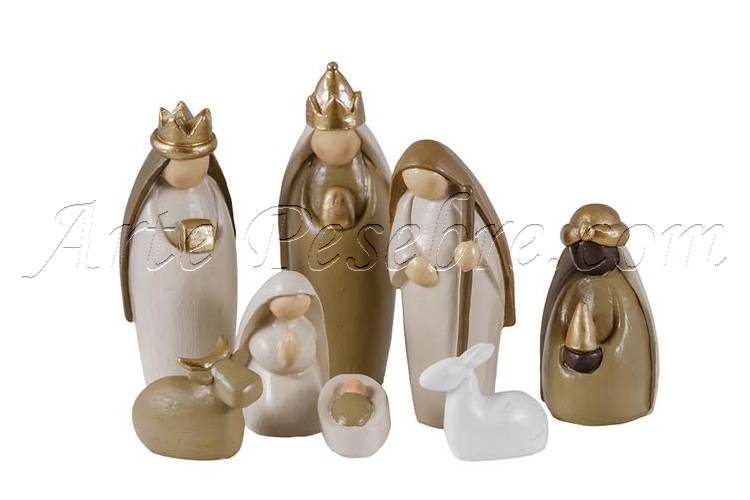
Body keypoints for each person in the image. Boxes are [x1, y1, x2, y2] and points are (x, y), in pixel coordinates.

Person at [278, 62, 394, 383]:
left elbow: (385, 223)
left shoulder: (372, 179)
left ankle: (366, 378)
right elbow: (294, 224)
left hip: (366, 269)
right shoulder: (303, 179)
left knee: (362, 322)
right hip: (316, 266)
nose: (334, 145)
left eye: (341, 135)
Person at [388, 140, 515, 428]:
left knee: (465, 356)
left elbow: (487, 246)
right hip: (420, 296)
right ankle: (430, 408)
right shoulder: (408, 203)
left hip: (460, 291)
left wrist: (474, 254)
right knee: (425, 348)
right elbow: (398, 244)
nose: (418, 183)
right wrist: (409, 263)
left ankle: (470, 409)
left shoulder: (464, 206)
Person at [119, 102, 236, 383]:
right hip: (166, 295)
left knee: (211, 334)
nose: (193, 166)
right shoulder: (151, 203)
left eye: (199, 158)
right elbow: (149, 254)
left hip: (212, 290)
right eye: (184, 161)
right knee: (170, 344)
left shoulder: (212, 193)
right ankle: (163, 385)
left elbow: (225, 249)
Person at [540, 203, 658, 425]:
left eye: (594, 249)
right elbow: (557, 329)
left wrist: (601, 354)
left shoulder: (620, 290)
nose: (586, 255)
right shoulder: (571, 288)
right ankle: (568, 401)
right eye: (579, 249)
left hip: (616, 387)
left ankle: (615, 404)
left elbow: (629, 336)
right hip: (568, 382)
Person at [234, 271, 328, 437]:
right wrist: (282, 355)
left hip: (306, 389)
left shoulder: (307, 328)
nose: (295, 305)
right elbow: (257, 347)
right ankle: (266, 422)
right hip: (268, 391)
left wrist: (298, 355)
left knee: (308, 410)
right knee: (266, 410)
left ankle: (307, 420)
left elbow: (311, 350)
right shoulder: (263, 330)